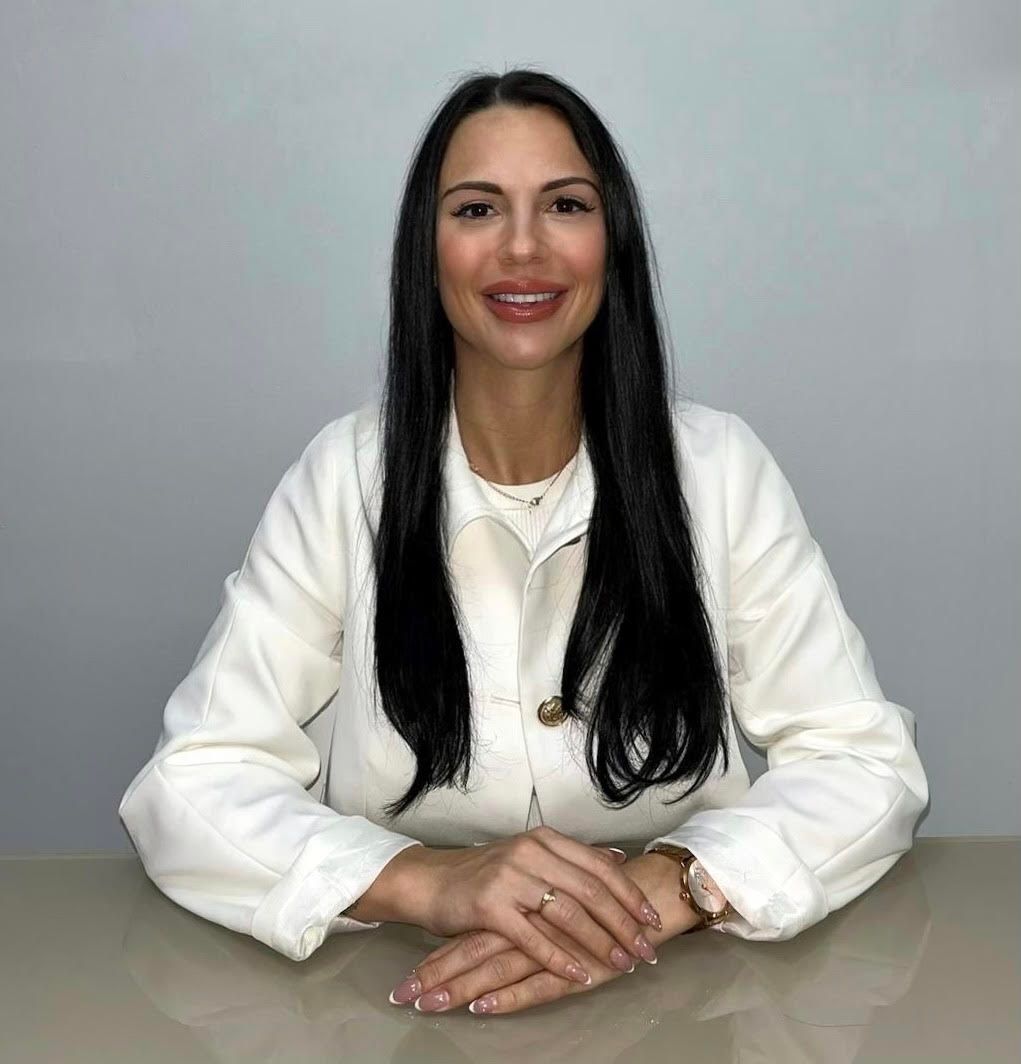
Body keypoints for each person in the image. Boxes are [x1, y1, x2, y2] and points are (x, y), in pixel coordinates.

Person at [118, 68, 929, 1017]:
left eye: (565, 205)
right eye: (475, 209)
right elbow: (192, 784)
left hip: (691, 995)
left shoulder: (719, 468)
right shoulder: (345, 476)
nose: (522, 247)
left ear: (611, 242)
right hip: (388, 1000)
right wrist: (428, 882)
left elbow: (864, 764)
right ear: (427, 251)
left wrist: (671, 889)